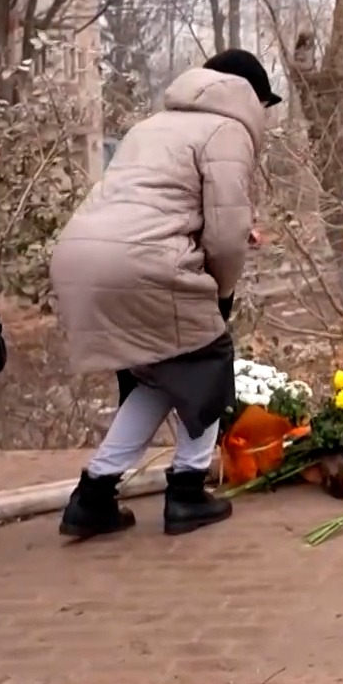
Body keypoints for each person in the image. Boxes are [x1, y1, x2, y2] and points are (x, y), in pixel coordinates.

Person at [48, 49, 278, 539]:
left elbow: (158, 204)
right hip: (145, 264)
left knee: (157, 375)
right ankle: (188, 493)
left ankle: (93, 495)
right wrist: (221, 291)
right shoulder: (228, 130)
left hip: (83, 257)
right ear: (249, 96)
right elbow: (225, 233)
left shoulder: (152, 126)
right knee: (206, 364)